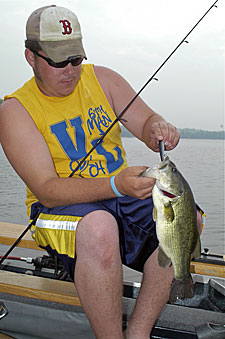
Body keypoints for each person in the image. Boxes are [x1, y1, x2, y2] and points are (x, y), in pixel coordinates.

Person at [0, 5, 202, 339]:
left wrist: (159, 127)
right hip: (58, 208)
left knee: (186, 216)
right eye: (57, 60)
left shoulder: (103, 79)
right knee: (98, 227)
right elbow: (48, 189)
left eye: (76, 59)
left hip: (117, 193)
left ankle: (137, 333)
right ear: (31, 57)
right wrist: (116, 184)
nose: (70, 70)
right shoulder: (15, 111)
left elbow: (146, 121)